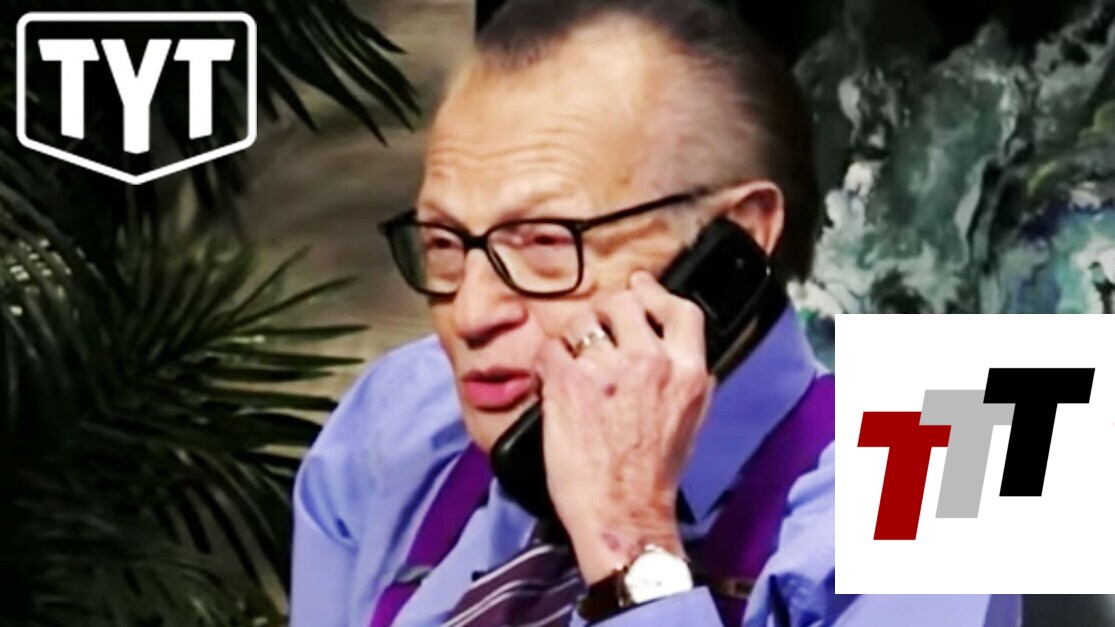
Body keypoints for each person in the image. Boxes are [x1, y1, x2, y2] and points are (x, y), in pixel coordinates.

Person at [290, 0, 1022, 625]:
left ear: (735, 239)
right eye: (445, 244)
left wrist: (631, 543)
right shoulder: (399, 416)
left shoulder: (963, 457)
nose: (471, 313)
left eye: (545, 242)